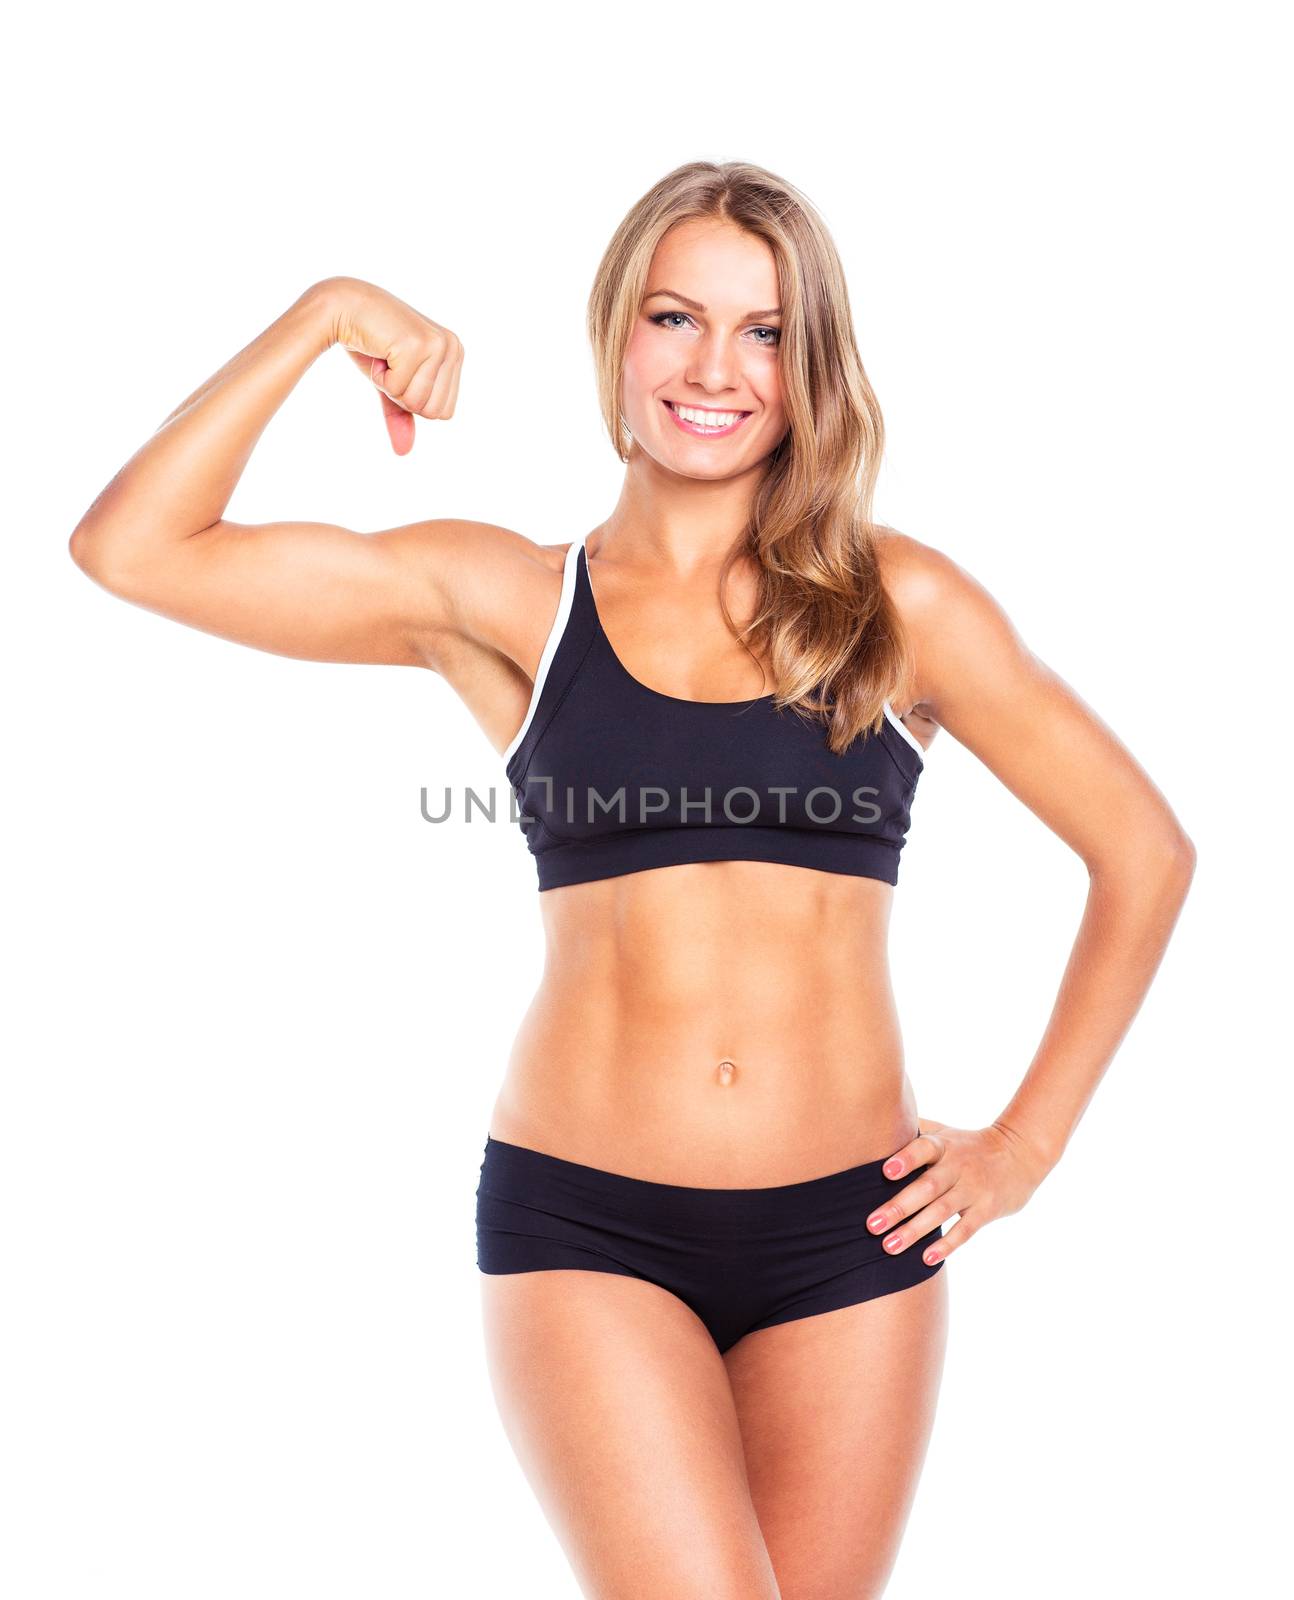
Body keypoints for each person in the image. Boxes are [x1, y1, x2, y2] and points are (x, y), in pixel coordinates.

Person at [68, 160, 1196, 1600]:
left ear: (811, 366)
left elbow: (1141, 849)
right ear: (614, 333)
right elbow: (132, 548)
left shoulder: (892, 604)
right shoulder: (512, 600)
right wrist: (322, 314)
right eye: (675, 317)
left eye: (765, 331)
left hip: (850, 1240)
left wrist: (1024, 1148)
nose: (714, 367)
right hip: (588, 1226)